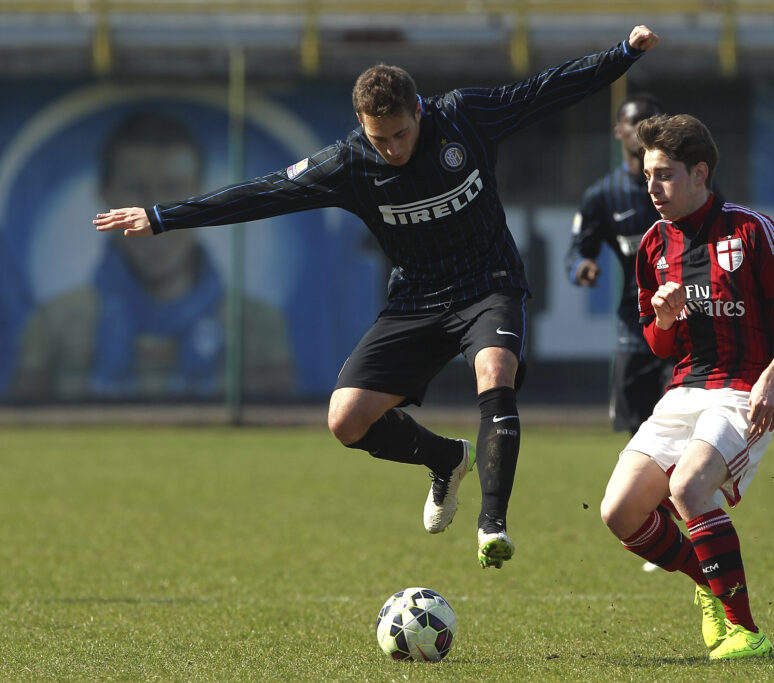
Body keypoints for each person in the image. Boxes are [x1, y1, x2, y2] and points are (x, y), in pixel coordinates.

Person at [95, 26, 661, 569]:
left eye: (400, 134)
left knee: (495, 371)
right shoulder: (349, 163)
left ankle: (492, 524)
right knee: (346, 420)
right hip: (415, 299)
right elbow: (262, 192)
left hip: (489, 284)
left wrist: (622, 55)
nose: (391, 148)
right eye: (377, 138)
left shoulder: (462, 116)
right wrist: (163, 216)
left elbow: (545, 91)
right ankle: (446, 459)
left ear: (419, 111)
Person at [599, 113, 774, 659]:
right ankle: (710, 585)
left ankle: (746, 631)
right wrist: (665, 320)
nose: (652, 187)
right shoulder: (652, 244)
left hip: (744, 390)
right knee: (619, 511)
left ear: (701, 173)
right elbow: (659, 346)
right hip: (685, 391)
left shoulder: (750, 229)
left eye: (665, 175)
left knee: (689, 488)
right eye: (648, 174)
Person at [13, 112, 294, 401]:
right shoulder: (53, 325)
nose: (151, 214)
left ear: (200, 194)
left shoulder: (258, 325)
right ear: (106, 193)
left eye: (172, 190)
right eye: (136, 189)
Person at [566, 93, 672, 436]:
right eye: (634, 122)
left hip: (686, 323)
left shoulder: (688, 183)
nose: (643, 129)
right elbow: (576, 252)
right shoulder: (603, 195)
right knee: (637, 436)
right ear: (619, 132)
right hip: (636, 325)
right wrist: (582, 266)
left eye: (651, 120)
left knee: (683, 430)